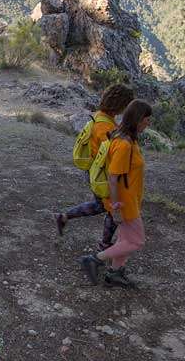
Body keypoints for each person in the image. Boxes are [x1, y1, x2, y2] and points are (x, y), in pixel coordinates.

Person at [79, 100, 152, 288]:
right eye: (146, 120)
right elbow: (113, 176)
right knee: (137, 241)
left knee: (125, 240)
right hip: (124, 203)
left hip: (129, 200)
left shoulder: (124, 137)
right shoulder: (124, 144)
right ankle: (94, 259)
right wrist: (116, 206)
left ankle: (114, 274)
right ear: (138, 120)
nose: (148, 124)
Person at [56, 84, 134, 249]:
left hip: (93, 170)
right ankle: (104, 245)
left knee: (100, 205)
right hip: (101, 175)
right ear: (121, 105)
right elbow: (112, 156)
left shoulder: (99, 116)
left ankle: (63, 217)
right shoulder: (106, 128)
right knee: (113, 208)